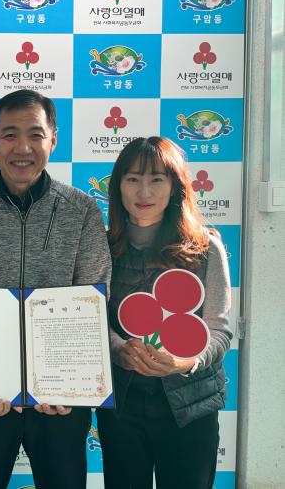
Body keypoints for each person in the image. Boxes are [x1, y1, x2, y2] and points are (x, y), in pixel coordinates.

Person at [0, 89, 111, 489]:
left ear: (53, 140)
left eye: (35, 135)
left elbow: (93, 299)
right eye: (10, 135)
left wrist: (69, 386)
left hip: (61, 399)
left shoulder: (81, 209)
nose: (23, 148)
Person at [96, 136, 232, 489]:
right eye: (133, 179)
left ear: (175, 187)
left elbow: (218, 330)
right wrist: (119, 350)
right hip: (123, 407)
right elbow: (91, 320)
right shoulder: (101, 247)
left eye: (157, 179)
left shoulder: (205, 248)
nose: (144, 191)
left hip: (191, 409)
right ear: (118, 187)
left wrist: (186, 362)